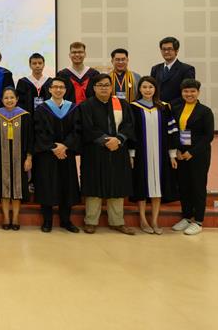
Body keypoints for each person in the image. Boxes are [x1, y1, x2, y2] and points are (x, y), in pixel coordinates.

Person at [79, 73, 135, 235]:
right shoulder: (86, 106)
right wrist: (105, 140)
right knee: (94, 185)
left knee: (117, 184)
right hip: (94, 151)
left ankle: (117, 222)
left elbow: (129, 125)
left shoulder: (122, 104)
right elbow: (87, 128)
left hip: (118, 150)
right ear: (94, 87)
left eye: (107, 85)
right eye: (100, 85)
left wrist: (118, 139)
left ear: (112, 87)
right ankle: (91, 221)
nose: (104, 88)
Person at [128, 76, 179, 234]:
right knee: (142, 185)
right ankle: (143, 219)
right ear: (140, 89)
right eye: (144, 87)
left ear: (155, 89)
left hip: (160, 154)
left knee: (157, 187)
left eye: (151, 87)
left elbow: (172, 132)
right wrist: (131, 154)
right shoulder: (134, 107)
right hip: (141, 154)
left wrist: (172, 155)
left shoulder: (164, 107)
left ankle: (155, 220)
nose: (148, 90)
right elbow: (131, 132)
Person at [33, 77, 80, 233]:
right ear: (50, 89)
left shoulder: (73, 108)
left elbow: (77, 131)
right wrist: (53, 147)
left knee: (66, 186)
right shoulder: (41, 109)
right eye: (55, 87)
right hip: (48, 155)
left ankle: (66, 220)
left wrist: (65, 146)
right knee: (47, 185)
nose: (58, 90)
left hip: (66, 154)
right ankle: (47, 221)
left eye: (62, 87)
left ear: (65, 90)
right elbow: (38, 132)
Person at [171, 79, 214, 235]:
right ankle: (187, 216)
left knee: (197, 187)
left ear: (198, 92)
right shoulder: (176, 108)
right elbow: (175, 131)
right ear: (182, 93)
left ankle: (198, 221)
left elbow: (208, 136)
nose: (189, 94)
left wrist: (192, 152)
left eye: (192, 91)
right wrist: (176, 150)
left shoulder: (205, 111)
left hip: (198, 155)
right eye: (186, 91)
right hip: (181, 154)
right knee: (184, 186)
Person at [0, 87, 33, 230]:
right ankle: (6, 218)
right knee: (4, 189)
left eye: (12, 97)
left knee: (17, 190)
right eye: (6, 98)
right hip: (2, 159)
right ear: (2, 100)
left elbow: (30, 139)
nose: (9, 100)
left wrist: (29, 158)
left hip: (20, 159)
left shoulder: (25, 116)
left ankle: (15, 218)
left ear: (17, 99)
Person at [150, 37, 196, 104]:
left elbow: (188, 92)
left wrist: (169, 105)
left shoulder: (187, 69)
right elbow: (152, 89)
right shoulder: (155, 69)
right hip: (158, 107)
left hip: (177, 108)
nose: (166, 52)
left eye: (169, 49)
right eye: (163, 49)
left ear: (176, 51)